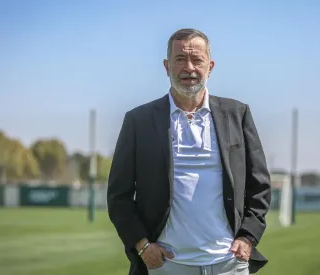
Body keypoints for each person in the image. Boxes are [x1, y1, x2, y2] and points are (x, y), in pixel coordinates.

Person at [107, 28, 272, 275]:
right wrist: (142, 246)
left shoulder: (237, 115)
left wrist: (248, 237)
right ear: (166, 66)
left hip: (229, 264)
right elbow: (118, 196)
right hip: (166, 265)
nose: (189, 68)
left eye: (197, 60)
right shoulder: (138, 121)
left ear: (210, 66)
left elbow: (260, 186)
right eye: (180, 59)